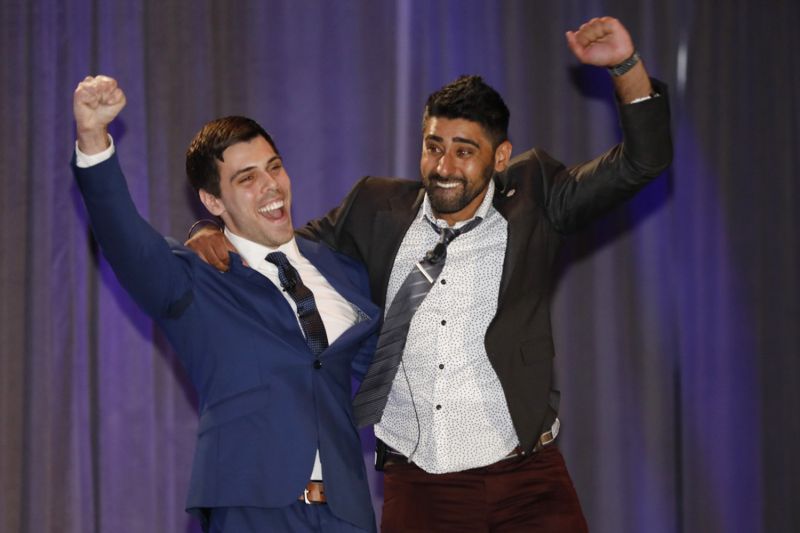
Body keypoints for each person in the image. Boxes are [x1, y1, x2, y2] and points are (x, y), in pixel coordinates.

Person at [189, 16, 672, 532]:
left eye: (465, 152)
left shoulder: (537, 196)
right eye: (434, 145)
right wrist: (212, 229)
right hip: (421, 488)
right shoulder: (374, 208)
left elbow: (643, 162)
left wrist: (625, 67)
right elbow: (281, 247)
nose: (443, 165)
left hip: (527, 480)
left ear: (500, 157)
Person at [71, 76, 381, 532]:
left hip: (346, 513)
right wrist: (94, 139)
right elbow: (124, 240)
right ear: (212, 200)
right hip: (251, 508)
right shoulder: (194, 278)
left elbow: (391, 371)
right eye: (247, 178)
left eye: (274, 167)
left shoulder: (342, 270)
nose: (271, 186)